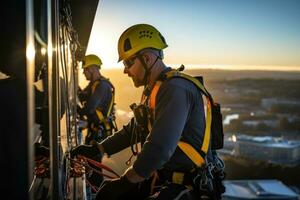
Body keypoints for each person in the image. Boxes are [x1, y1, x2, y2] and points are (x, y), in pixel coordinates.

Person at [71, 24, 225, 199]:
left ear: (147, 58)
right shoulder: (154, 89)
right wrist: (99, 149)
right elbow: (134, 130)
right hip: (167, 180)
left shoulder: (175, 88)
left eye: (129, 62)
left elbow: (160, 147)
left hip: (188, 187)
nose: (125, 70)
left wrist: (126, 182)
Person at [77, 54, 117, 187]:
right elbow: (82, 95)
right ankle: (94, 189)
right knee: (90, 161)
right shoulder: (94, 85)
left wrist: (79, 112)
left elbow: (89, 108)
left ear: (92, 69)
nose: (83, 72)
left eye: (85, 69)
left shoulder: (102, 86)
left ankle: (96, 191)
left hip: (100, 130)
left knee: (93, 162)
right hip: (96, 128)